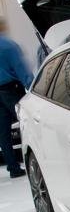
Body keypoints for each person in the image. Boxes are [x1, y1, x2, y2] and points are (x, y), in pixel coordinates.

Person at [0, 17, 33, 178]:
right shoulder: (9, 45)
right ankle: (36, 158)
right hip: (11, 90)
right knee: (28, 123)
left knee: (3, 133)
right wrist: (32, 87)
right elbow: (21, 68)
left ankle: (13, 168)